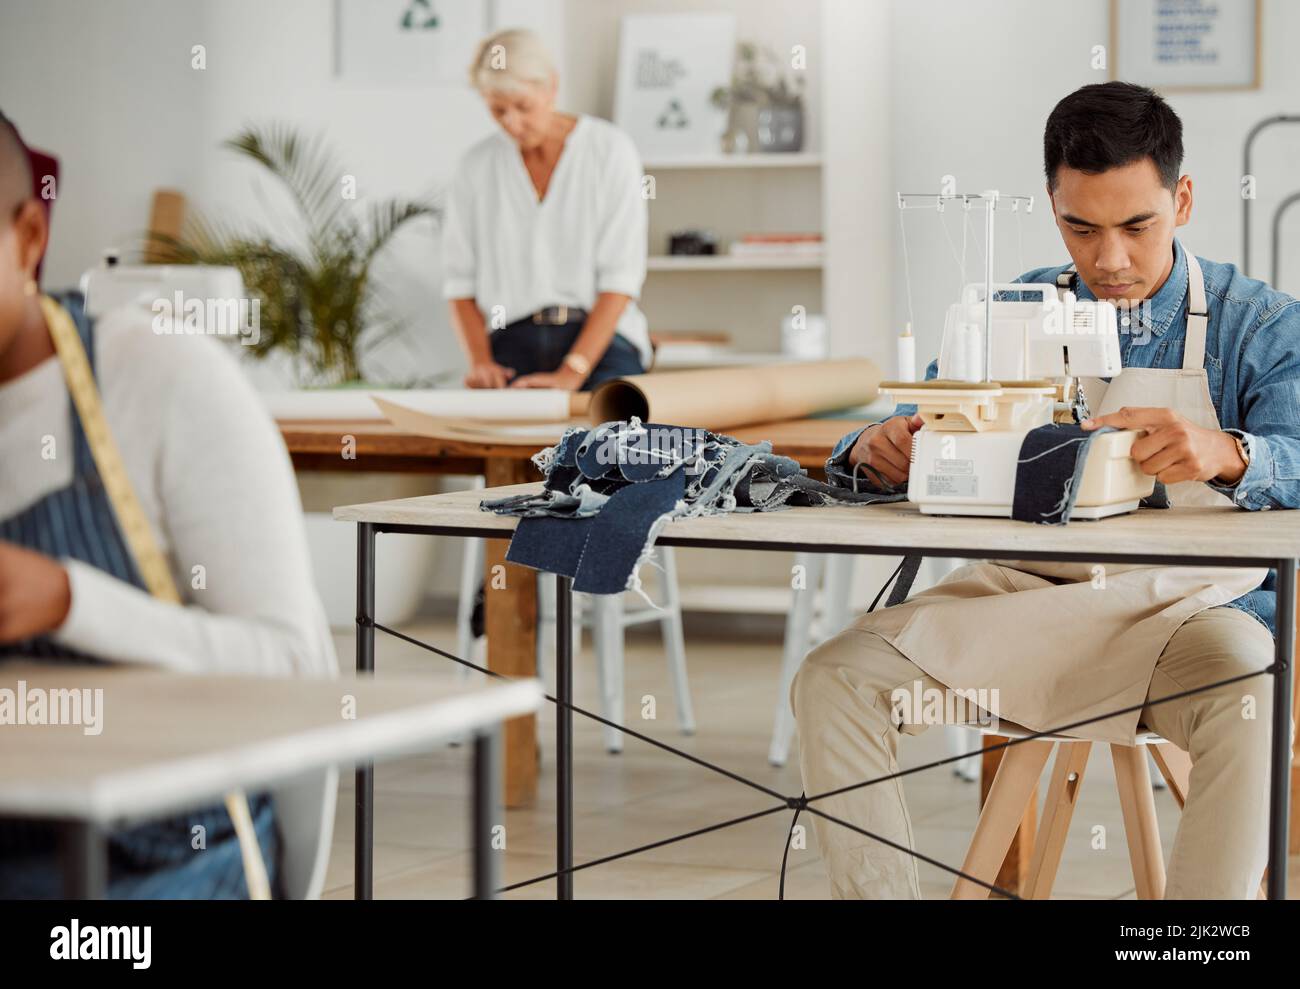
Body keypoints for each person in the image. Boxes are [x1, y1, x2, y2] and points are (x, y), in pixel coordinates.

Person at [793, 82, 1300, 899]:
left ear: (1185, 199)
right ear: (1051, 207)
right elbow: (919, 423)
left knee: (1250, 691)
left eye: (1138, 226)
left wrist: (1231, 453)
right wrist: (876, 449)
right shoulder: (1015, 311)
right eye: (1082, 228)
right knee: (832, 679)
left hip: (1190, 615)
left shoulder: (1261, 326)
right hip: (1026, 599)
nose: (1110, 261)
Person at [0, 110, 336, 898]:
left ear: (27, 236)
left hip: (161, 861)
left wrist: (67, 600)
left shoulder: (159, 378)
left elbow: (294, 671)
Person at [444, 28, 651, 393]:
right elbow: (460, 284)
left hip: (601, 344)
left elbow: (621, 280)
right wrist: (481, 363)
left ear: (551, 87)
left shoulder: (611, 150)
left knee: (615, 438)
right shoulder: (474, 167)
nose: (511, 123)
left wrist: (571, 373)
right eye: (498, 110)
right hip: (511, 340)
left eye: (522, 107)